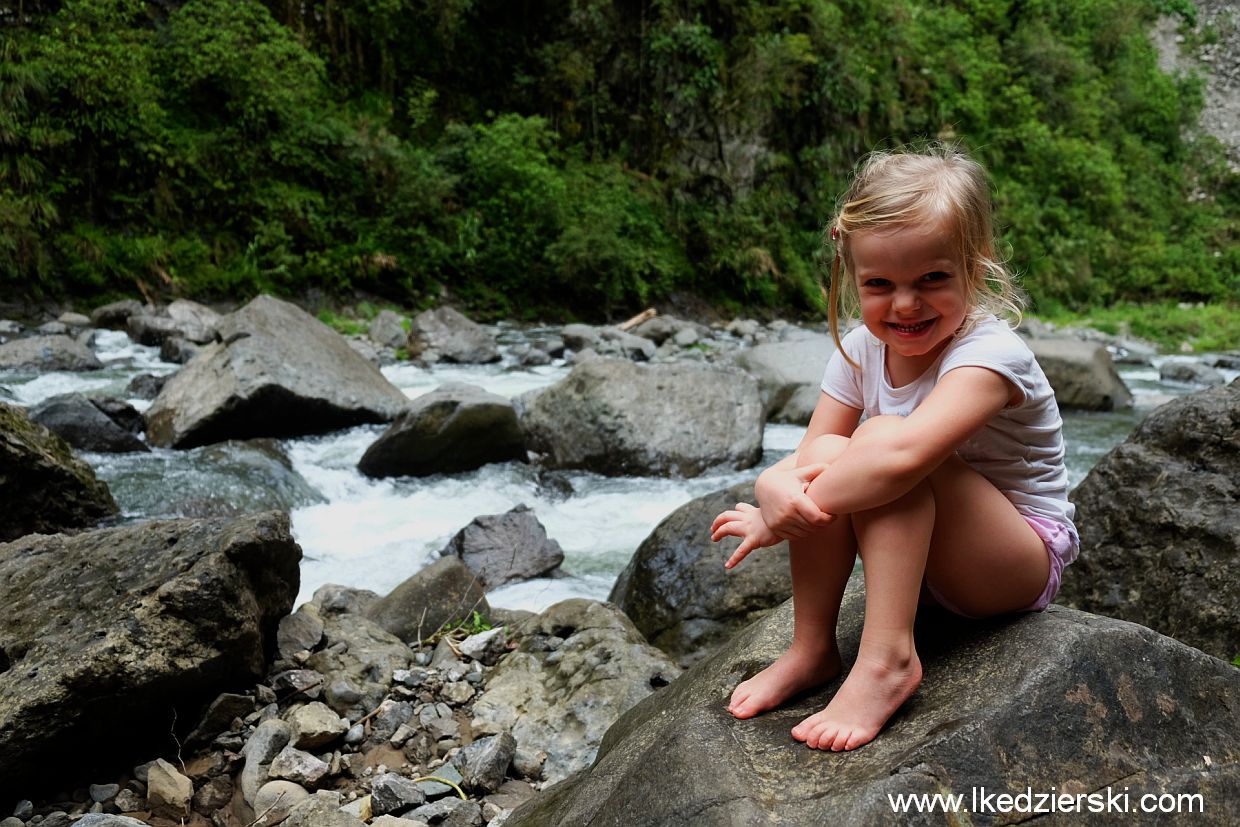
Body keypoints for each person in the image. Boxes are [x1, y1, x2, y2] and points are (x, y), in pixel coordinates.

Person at [710, 145, 1078, 752]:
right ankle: (812, 647)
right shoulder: (860, 349)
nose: (905, 304)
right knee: (838, 449)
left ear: (976, 266)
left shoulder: (991, 356)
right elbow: (814, 451)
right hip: (928, 559)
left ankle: (887, 662)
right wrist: (771, 487)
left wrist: (781, 515)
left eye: (932, 279)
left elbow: (902, 459)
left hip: (1013, 561)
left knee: (879, 446)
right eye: (880, 284)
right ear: (853, 279)